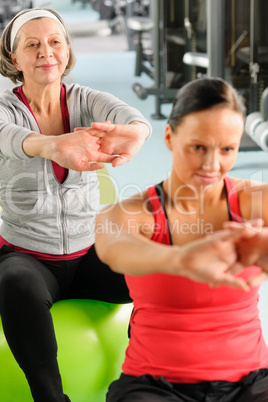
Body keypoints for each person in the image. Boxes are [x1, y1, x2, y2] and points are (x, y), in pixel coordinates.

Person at [0, 7, 153, 402]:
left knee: (155, 263)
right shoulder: (5, 109)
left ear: (67, 50)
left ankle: (145, 377)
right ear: (14, 57)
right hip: (27, 257)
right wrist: (53, 145)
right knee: (13, 282)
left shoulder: (84, 100)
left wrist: (135, 133)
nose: (45, 52)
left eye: (54, 42)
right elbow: (8, 137)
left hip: (88, 253)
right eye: (31, 45)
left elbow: (130, 117)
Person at [95, 77, 268, 402]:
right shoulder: (132, 212)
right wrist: (182, 260)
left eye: (227, 149)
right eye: (198, 147)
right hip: (154, 388)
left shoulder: (253, 202)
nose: (211, 165)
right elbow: (114, 248)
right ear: (170, 136)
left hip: (253, 384)